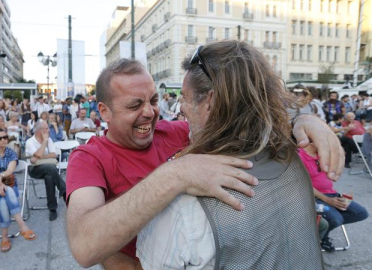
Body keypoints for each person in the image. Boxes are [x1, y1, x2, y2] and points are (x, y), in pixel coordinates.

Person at [65, 58, 344, 269]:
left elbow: (239, 124)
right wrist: (173, 175)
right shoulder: (88, 159)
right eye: (134, 105)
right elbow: (84, 246)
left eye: (153, 100)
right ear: (104, 111)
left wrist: (302, 122)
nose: (149, 113)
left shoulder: (173, 131)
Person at [137, 41, 324, 269]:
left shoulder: (183, 207)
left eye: (184, 97)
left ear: (211, 102)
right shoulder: (293, 163)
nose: (181, 108)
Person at [298, 143, 368, 252]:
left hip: (332, 194)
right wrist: (329, 201)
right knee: (335, 219)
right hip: (315, 197)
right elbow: (303, 185)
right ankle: (321, 238)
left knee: (361, 213)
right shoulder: (300, 156)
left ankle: (322, 229)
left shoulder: (322, 154)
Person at [0, 128, 36, 252]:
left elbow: (10, 170)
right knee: (8, 192)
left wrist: (0, 180)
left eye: (5, 137)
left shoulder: (11, 153)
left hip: (8, 183)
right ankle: (22, 226)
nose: (3, 140)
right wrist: (0, 183)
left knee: (4, 200)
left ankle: (4, 238)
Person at [26, 121, 66, 221]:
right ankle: (64, 190)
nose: (49, 130)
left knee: (49, 176)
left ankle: (52, 208)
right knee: (50, 168)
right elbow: (35, 159)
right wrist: (44, 142)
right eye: (47, 128)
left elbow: (53, 155)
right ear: (40, 131)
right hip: (34, 169)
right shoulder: (30, 142)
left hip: (48, 169)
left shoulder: (49, 140)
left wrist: (40, 157)